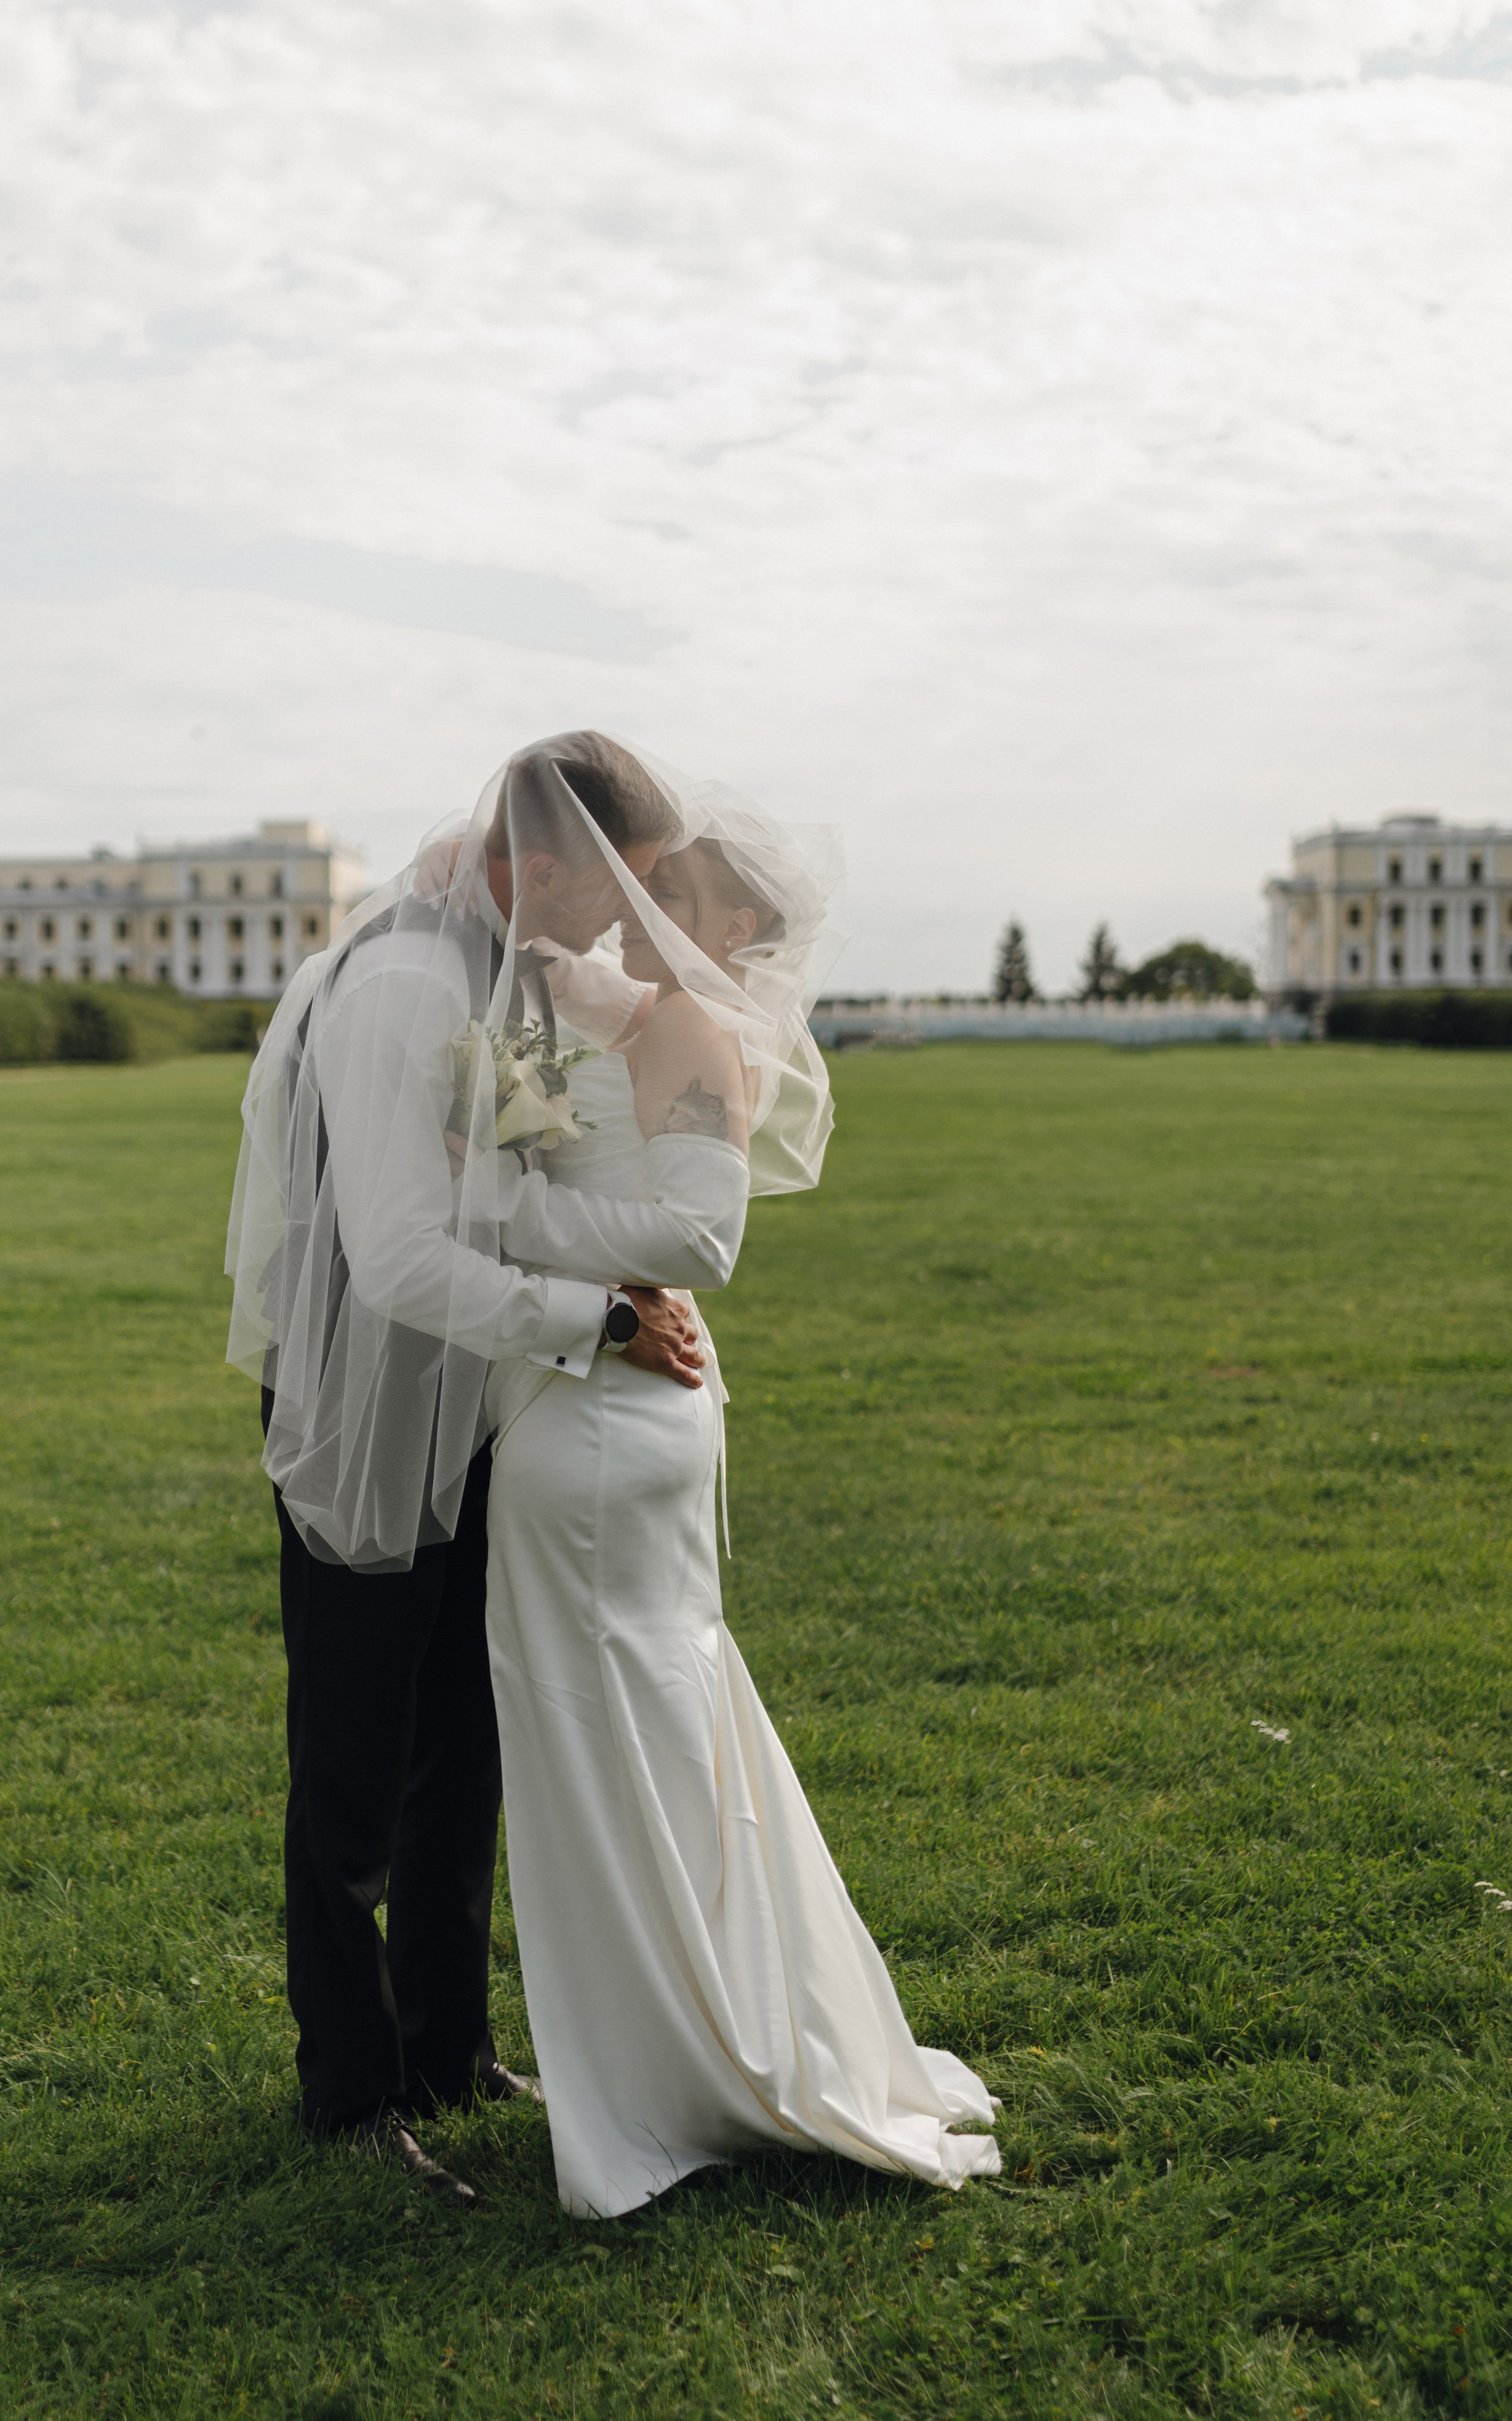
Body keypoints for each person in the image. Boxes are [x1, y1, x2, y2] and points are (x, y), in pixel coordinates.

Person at [477, 746, 1004, 2215]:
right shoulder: (595, 1003)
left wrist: (545, 1242)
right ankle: (672, 2034)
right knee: (615, 1738)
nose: (638, 901)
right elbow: (517, 1135)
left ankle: (680, 2067)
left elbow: (698, 1246)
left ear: (729, 941)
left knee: (630, 1730)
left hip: (611, 1424)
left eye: (672, 894)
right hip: (582, 1395)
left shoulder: (703, 1039)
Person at [226, 734, 743, 2201]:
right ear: (543, 860)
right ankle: (350, 2090)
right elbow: (394, 1255)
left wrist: (618, 1277)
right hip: (366, 1405)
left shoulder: (507, 972)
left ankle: (448, 2047)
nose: (621, 928)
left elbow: (513, 1191)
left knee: (468, 1740)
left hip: (485, 1403)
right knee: (351, 1763)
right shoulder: (400, 984)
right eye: (618, 893)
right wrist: (595, 1319)